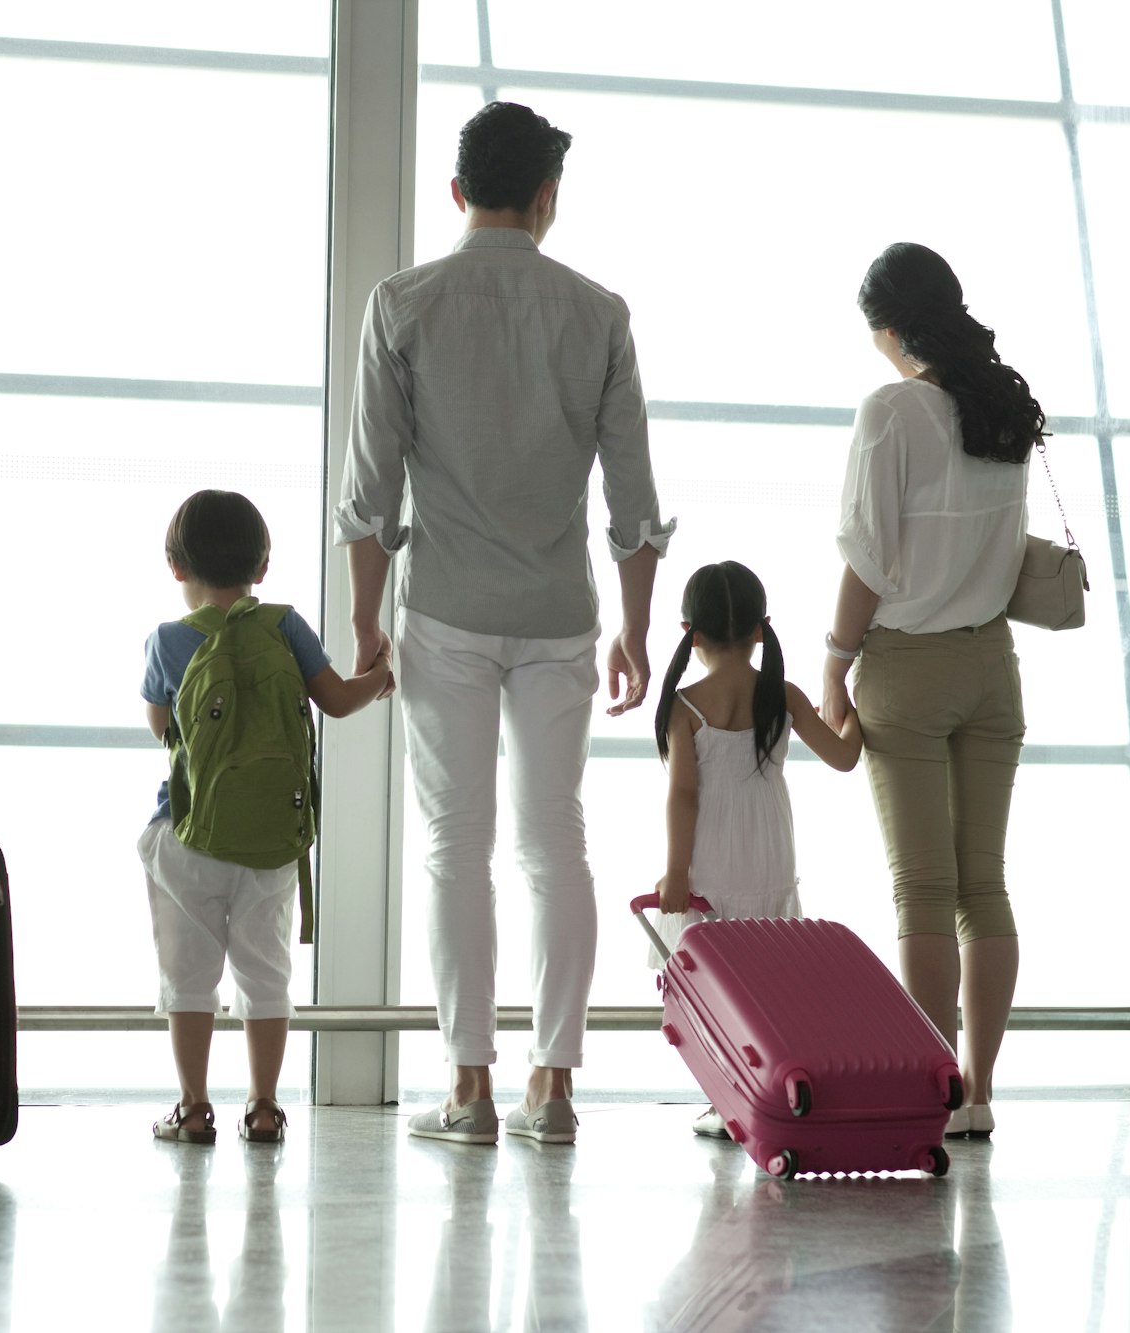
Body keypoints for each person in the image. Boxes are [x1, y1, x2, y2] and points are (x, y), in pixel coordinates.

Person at [335, 101, 673, 1147]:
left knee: (454, 846)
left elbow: (368, 492)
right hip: (559, 614)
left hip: (441, 609)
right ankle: (553, 1087)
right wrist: (633, 628)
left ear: (454, 194)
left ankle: (469, 1089)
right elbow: (631, 501)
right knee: (554, 841)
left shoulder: (402, 303)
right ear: (544, 198)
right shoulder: (598, 312)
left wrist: (362, 619)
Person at [820, 242, 1043, 1139]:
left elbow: (866, 560)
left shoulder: (893, 412)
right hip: (991, 664)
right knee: (981, 886)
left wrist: (835, 659)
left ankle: (931, 1085)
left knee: (922, 887)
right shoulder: (1003, 406)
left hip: (906, 668)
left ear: (886, 326)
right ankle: (979, 1092)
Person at [140, 489, 394, 1145]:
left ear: (176, 567)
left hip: (189, 835)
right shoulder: (284, 625)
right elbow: (336, 700)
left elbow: (162, 728)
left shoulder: (167, 640)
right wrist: (382, 676)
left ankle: (193, 1108)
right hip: (273, 843)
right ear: (262, 566)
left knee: (190, 975)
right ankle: (263, 1106)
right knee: (265, 972)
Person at [648, 560, 861, 1137]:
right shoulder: (782, 694)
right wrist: (854, 709)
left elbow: (684, 796)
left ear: (690, 632)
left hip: (712, 860)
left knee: (716, 985)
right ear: (761, 631)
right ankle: (768, 1088)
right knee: (770, 981)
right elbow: (843, 757)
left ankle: (727, 1098)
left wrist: (673, 871)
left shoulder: (686, 706)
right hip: (769, 854)